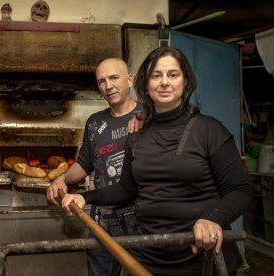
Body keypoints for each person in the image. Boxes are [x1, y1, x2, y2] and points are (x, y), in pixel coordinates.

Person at [59, 47, 252, 276]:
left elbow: (240, 190)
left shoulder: (209, 130)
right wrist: (84, 197)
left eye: (173, 74)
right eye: (156, 75)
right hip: (149, 255)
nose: (164, 82)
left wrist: (213, 219)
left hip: (201, 254)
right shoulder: (137, 133)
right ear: (146, 85)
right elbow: (126, 189)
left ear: (186, 81)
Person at [46, 57, 142, 276]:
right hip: (102, 221)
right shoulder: (95, 122)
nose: (108, 86)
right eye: (101, 81)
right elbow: (84, 164)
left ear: (130, 80)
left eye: (114, 78)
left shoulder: (147, 117)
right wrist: (62, 178)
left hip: (140, 218)